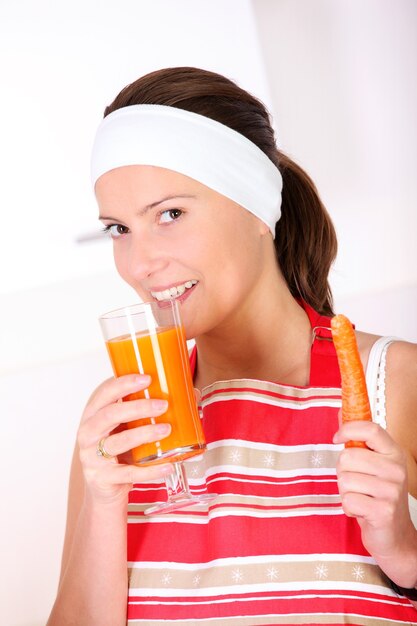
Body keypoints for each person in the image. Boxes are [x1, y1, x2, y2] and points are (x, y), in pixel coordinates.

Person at [47, 67, 417, 626]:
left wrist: (407, 556)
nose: (140, 264)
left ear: (256, 208)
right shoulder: (122, 424)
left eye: (170, 214)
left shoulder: (399, 384)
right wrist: (102, 507)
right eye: (119, 229)